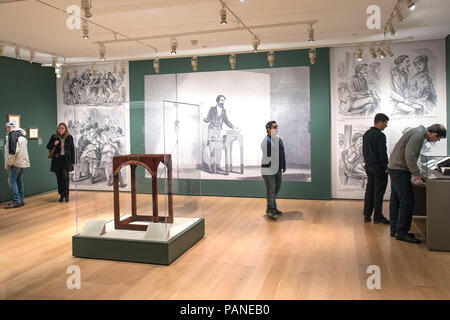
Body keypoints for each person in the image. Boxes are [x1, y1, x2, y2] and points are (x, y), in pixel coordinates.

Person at [388, 124, 447, 243]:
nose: (435, 141)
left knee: (396, 200)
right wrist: (416, 173)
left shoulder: (418, 132)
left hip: (395, 168)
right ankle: (402, 232)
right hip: (400, 170)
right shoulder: (419, 134)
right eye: (437, 139)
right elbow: (410, 154)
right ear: (434, 134)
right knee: (407, 201)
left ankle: (396, 229)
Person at [362, 113, 390, 224]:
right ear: (381, 122)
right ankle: (377, 217)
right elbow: (382, 153)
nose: (386, 126)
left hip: (369, 166)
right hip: (378, 168)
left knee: (369, 191)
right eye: (385, 123)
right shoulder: (380, 135)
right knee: (378, 192)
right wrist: (386, 166)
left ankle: (367, 215)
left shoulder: (367, 134)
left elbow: (365, 151)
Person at [203, 95, 236, 173]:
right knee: (212, 148)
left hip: (219, 131)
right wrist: (203, 119)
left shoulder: (224, 110)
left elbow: (226, 120)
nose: (222, 102)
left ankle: (217, 166)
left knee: (219, 148)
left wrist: (233, 127)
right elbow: (208, 119)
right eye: (221, 100)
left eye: (223, 100)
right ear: (217, 101)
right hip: (211, 130)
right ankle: (212, 167)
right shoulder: (212, 109)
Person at [261, 121, 286, 220]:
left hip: (278, 169)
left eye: (277, 127)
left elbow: (282, 154)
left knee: (277, 188)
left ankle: (272, 207)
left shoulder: (279, 140)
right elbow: (268, 157)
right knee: (271, 190)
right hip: (269, 170)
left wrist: (283, 166)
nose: (276, 128)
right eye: (274, 127)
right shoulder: (266, 141)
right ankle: (270, 210)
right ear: (268, 129)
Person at [4, 122, 30, 209]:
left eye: (6, 127)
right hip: (21, 162)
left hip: (15, 162)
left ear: (8, 128)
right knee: (19, 180)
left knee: (12, 180)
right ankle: (21, 200)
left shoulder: (12, 135)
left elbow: (12, 151)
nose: (6, 129)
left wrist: (10, 163)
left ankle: (16, 201)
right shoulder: (21, 136)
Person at [47, 123, 75, 202]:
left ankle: (66, 195)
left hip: (66, 160)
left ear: (65, 129)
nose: (61, 130)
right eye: (59, 128)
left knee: (65, 177)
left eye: (62, 128)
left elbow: (72, 149)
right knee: (59, 178)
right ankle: (61, 194)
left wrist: (73, 161)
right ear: (57, 129)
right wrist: (54, 144)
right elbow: (48, 146)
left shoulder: (69, 137)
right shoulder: (54, 137)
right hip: (57, 160)